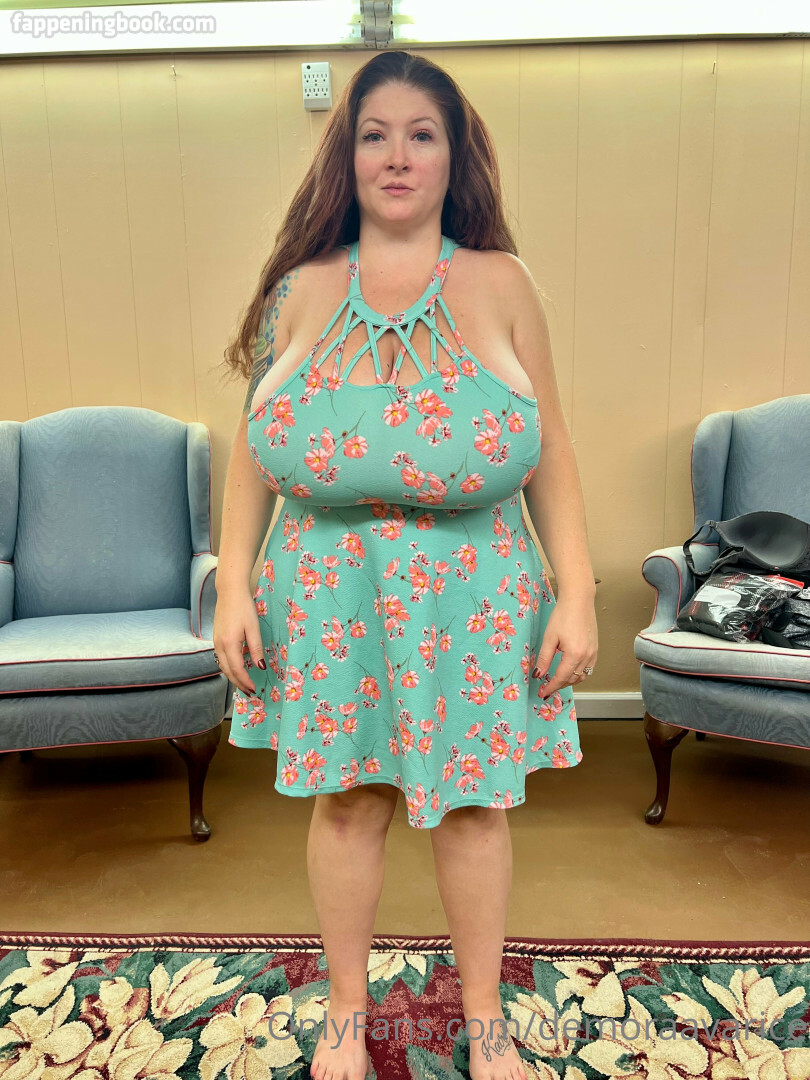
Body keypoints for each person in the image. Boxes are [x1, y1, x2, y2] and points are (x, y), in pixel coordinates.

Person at [214, 49, 598, 1080]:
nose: (396, 156)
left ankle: (486, 1016)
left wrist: (578, 592)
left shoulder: (503, 283)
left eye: (420, 136)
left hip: (475, 596)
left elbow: (553, 448)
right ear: (345, 156)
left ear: (452, 156)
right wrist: (233, 583)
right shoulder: (298, 290)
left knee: (473, 807)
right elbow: (250, 448)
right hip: (327, 593)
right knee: (348, 801)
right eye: (374, 135)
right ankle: (347, 1010)